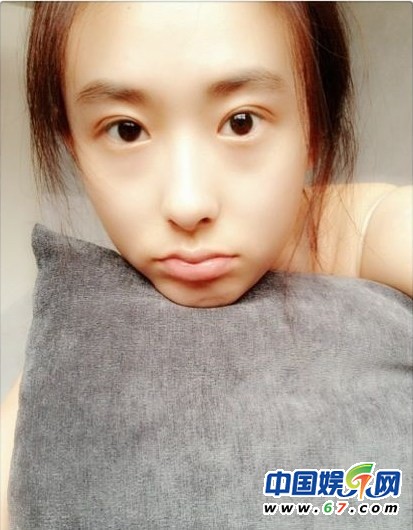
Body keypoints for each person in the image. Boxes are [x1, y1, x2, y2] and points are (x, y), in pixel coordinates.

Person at [1, 2, 412, 528]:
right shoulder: (67, 351)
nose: (188, 202)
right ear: (74, 146)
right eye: (126, 130)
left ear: (314, 124)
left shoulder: (374, 228)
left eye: (241, 122)